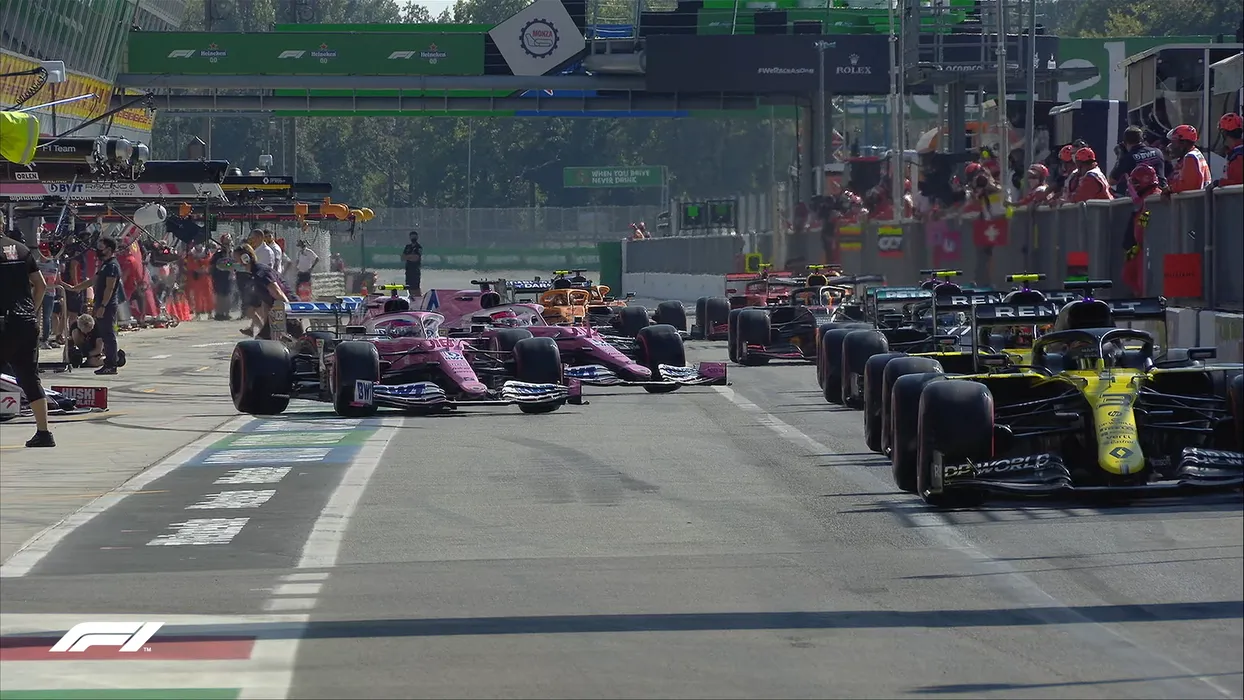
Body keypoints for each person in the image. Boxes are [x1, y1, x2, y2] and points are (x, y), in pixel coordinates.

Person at [0, 226, 55, 447]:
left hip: (2, 321)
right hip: (25, 322)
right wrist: (31, 311)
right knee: (30, 378)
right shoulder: (22, 249)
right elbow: (41, 285)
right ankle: (44, 432)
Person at [65, 235, 123, 375]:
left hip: (107, 306)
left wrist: (103, 306)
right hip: (101, 305)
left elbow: (109, 288)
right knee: (105, 333)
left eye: (101, 247)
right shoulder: (105, 265)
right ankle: (111, 361)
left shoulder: (112, 266)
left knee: (108, 335)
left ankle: (111, 364)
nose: (98, 250)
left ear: (109, 249)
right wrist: (74, 288)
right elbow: (92, 281)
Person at [232, 244, 290, 340]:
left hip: (287, 308)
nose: (236, 263)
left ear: (245, 258)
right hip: (279, 310)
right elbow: (266, 300)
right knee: (263, 339)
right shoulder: (255, 273)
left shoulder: (260, 273)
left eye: (236, 259)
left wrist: (291, 312)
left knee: (295, 341)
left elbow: (278, 293)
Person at [1122, 164, 1163, 296]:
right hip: (1142, 247)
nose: (1132, 186)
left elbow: (1141, 229)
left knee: (1143, 283)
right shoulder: (1147, 199)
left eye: (1135, 182)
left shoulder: (1151, 200)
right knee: (1129, 273)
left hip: (1148, 248)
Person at [1110, 126, 1168, 195]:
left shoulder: (1127, 158)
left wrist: (1120, 157)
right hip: (1162, 194)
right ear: (1142, 139)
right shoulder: (1158, 152)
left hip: (1142, 197)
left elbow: (1112, 181)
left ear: (1125, 143)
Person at [1167, 124, 1212, 193]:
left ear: (1184, 143)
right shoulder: (1196, 153)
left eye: (1174, 142)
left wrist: (1170, 189)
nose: (1170, 146)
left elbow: (1188, 186)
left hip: (1194, 199)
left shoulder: (1190, 157)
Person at [1217, 113, 1244, 187]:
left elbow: (1238, 185)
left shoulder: (1238, 157)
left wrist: (1220, 183)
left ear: (1224, 133)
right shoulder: (1235, 153)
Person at [402, 230, 423, 296]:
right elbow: (403, 258)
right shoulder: (407, 247)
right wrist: (411, 256)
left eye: (414, 237)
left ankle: (419, 299)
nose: (413, 238)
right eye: (412, 236)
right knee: (409, 287)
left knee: (416, 288)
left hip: (415, 271)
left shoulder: (419, 247)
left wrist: (408, 256)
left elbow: (416, 258)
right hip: (408, 270)